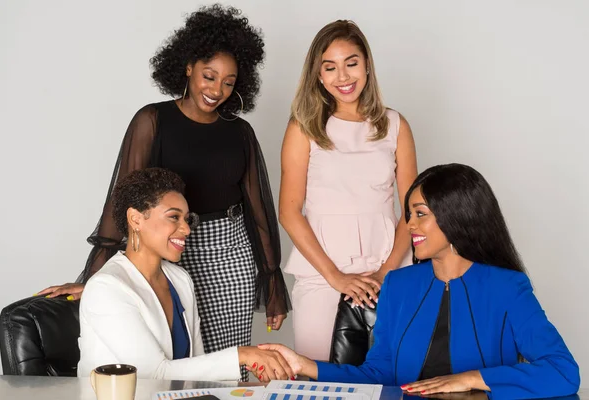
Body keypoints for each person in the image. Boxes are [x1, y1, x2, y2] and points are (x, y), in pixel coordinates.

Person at [36, 5, 290, 380]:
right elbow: (125, 202)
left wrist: (271, 280)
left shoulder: (240, 133)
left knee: (231, 367)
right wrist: (96, 278)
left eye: (229, 82)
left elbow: (258, 210)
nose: (217, 90)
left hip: (230, 253)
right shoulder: (152, 120)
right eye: (209, 76)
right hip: (173, 247)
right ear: (188, 67)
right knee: (176, 359)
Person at [261, 164, 580, 399]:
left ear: (456, 216)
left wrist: (471, 379)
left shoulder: (508, 288)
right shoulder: (399, 286)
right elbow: (378, 374)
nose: (409, 225)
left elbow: (563, 371)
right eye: (408, 214)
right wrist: (304, 365)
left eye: (420, 214)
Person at [279, 19, 417, 361]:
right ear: (319, 75)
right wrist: (336, 277)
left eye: (351, 63)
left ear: (367, 66)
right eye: (330, 67)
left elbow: (412, 211)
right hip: (323, 272)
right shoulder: (304, 127)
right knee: (320, 379)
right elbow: (289, 212)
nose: (343, 77)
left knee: (395, 379)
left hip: (390, 270)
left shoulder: (396, 126)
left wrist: (386, 272)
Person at [77, 168, 293, 382]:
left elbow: (195, 367)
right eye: (174, 217)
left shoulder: (179, 279)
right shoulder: (107, 287)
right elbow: (152, 375)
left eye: (186, 219)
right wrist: (243, 355)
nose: (187, 230)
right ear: (135, 219)